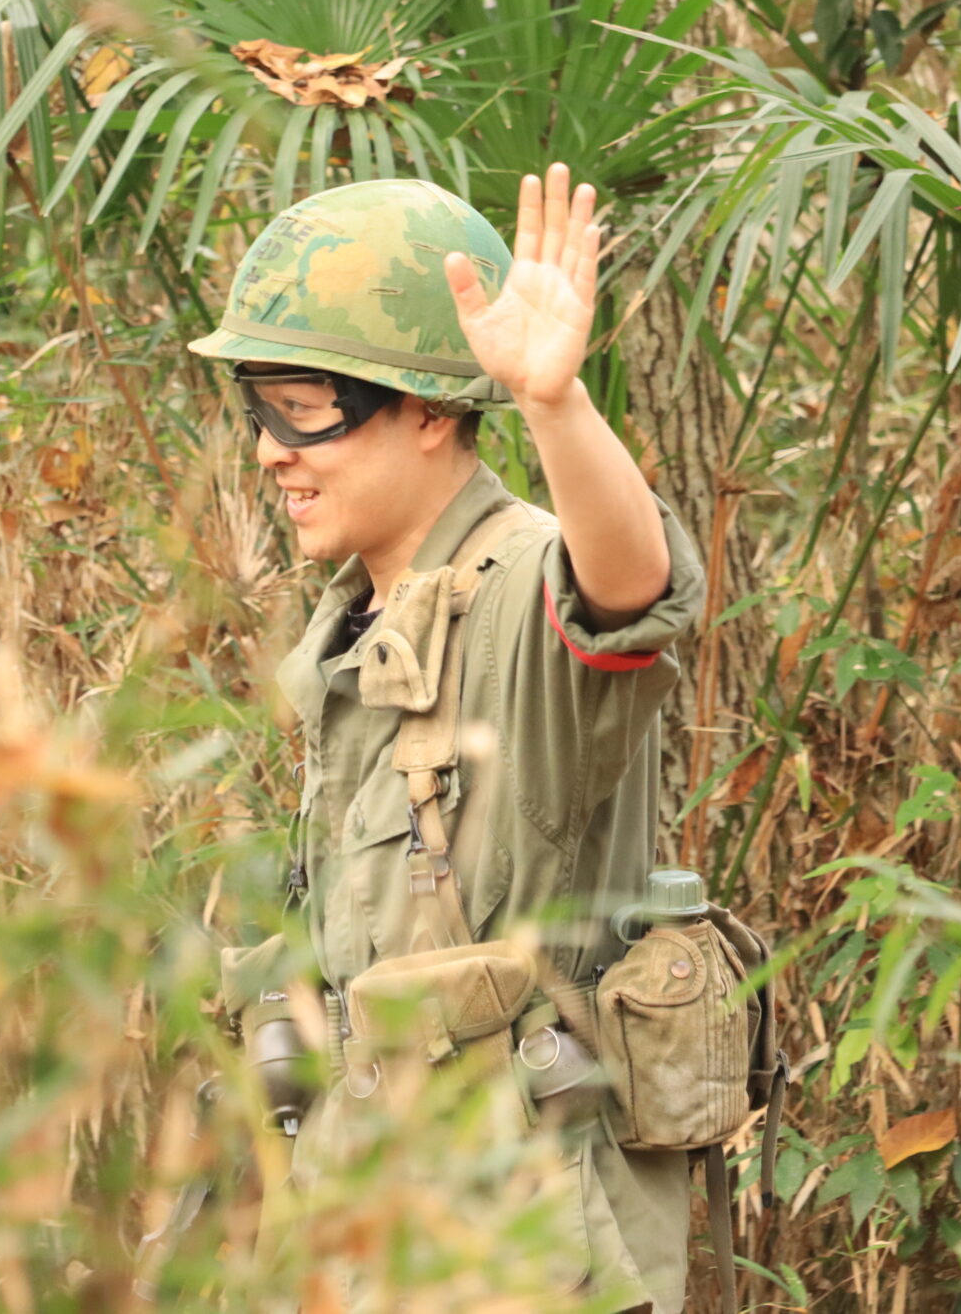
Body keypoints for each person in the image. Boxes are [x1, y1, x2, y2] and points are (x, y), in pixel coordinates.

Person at [194, 164, 707, 1314]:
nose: (271, 448)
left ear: (430, 412)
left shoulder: (518, 586)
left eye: (305, 407)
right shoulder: (361, 628)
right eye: (259, 406)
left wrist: (554, 406)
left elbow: (631, 588)